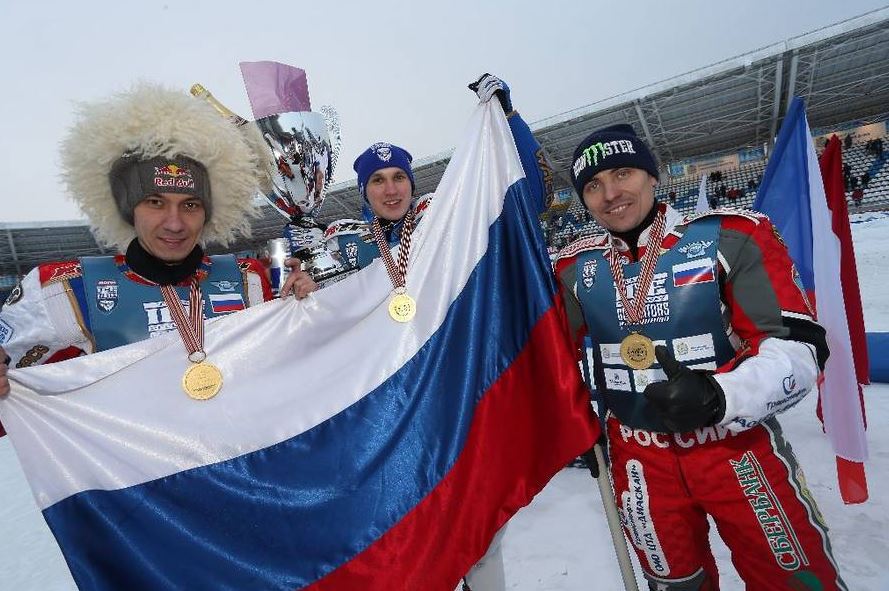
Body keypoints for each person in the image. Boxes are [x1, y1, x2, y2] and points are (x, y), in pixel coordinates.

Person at [282, 74, 554, 591]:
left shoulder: (443, 220)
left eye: (398, 177)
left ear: (412, 182)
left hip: (453, 396)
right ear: (363, 191)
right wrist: (298, 285)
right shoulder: (341, 244)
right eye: (378, 180)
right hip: (382, 413)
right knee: (403, 531)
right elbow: (309, 321)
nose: (390, 188)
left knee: (480, 527)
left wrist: (509, 121)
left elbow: (526, 195)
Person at [554, 124, 844, 589]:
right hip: (637, 459)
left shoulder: (730, 237)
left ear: (654, 176)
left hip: (734, 447)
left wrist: (719, 394)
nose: (610, 193)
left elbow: (800, 347)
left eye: (623, 173)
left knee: (793, 580)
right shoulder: (573, 268)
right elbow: (542, 357)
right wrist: (571, 426)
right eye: (592, 185)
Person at [0, 84, 272, 420]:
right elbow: (13, 410)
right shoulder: (64, 288)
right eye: (155, 202)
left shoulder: (248, 279)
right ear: (130, 209)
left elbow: (289, 372)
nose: (175, 224)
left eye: (190, 204)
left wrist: (313, 303)